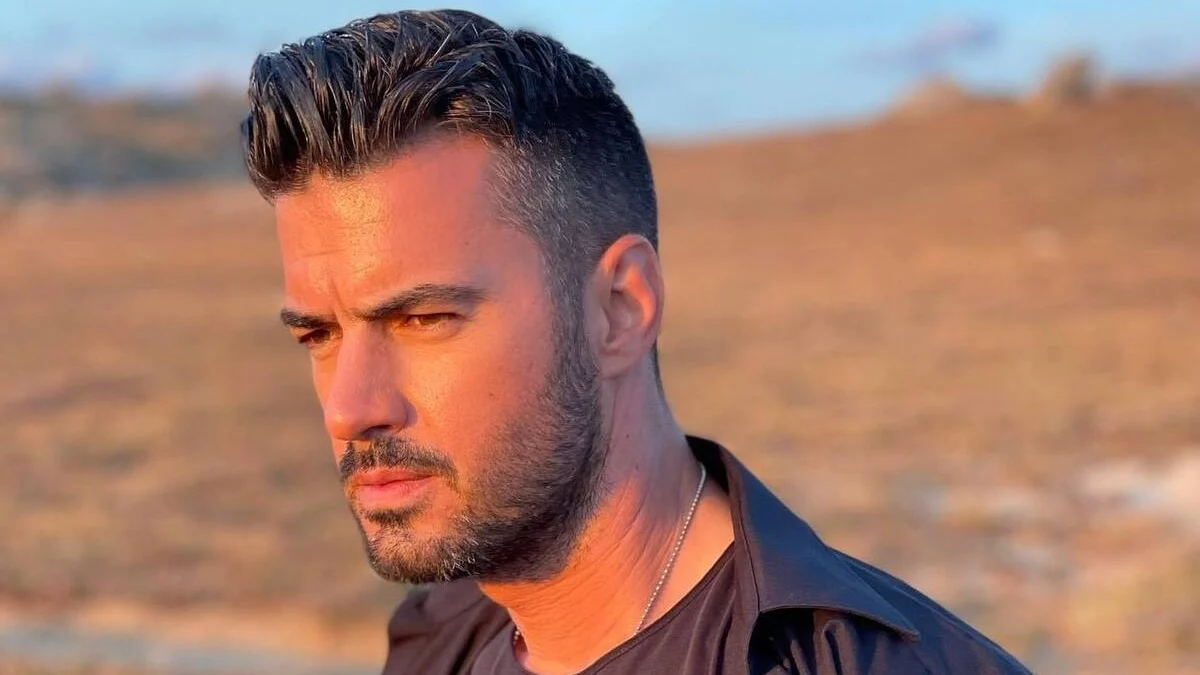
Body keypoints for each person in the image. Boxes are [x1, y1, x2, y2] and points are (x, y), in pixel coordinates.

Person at [239, 9, 1034, 675]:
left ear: (621, 308)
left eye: (424, 319)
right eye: (319, 333)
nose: (349, 407)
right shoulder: (437, 638)